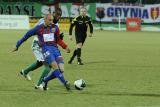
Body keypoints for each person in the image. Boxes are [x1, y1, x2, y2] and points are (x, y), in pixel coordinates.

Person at [12, 14, 71, 91]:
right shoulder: (38, 28)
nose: (51, 22)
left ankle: (45, 80)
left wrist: (65, 47)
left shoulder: (55, 27)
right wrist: (17, 45)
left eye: (52, 20)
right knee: (51, 65)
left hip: (55, 50)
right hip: (45, 49)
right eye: (49, 20)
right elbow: (26, 36)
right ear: (45, 19)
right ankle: (64, 83)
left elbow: (58, 40)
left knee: (61, 70)